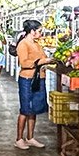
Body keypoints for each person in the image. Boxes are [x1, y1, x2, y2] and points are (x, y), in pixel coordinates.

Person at [15, 20, 51, 149]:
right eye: (40, 31)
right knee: (25, 109)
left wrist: (47, 61)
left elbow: (43, 57)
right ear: (32, 31)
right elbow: (24, 63)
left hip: (38, 79)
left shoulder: (37, 44)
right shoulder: (23, 44)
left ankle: (30, 137)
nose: (41, 34)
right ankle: (19, 139)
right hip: (27, 80)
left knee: (34, 109)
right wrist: (42, 61)